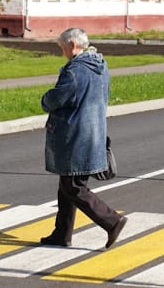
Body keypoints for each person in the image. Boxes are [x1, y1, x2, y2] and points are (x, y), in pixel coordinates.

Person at [40, 27, 127, 249]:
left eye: (62, 47)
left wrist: (45, 99)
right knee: (67, 184)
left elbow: (58, 98)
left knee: (74, 187)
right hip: (93, 132)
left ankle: (112, 221)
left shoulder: (75, 71)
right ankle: (62, 234)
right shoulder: (100, 66)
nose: (62, 52)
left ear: (72, 45)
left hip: (75, 135)